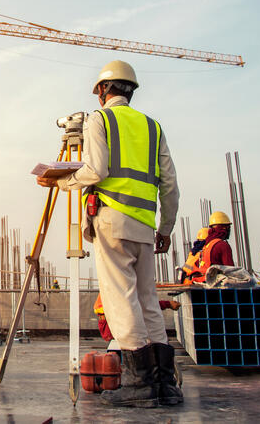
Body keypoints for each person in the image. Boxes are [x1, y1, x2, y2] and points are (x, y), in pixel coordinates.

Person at [37, 60, 181, 408]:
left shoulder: (100, 119)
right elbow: (171, 186)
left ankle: (140, 385)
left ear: (103, 90)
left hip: (112, 220)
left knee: (121, 300)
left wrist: (61, 180)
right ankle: (165, 386)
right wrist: (166, 229)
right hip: (146, 226)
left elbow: (96, 170)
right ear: (130, 90)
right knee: (148, 301)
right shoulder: (153, 126)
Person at [94, 292, 181, 343]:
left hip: (112, 328)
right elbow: (144, 306)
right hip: (115, 329)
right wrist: (168, 304)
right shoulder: (119, 288)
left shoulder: (112, 284)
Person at [190, 211, 234, 283]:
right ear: (224, 228)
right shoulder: (222, 245)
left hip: (203, 281)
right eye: (228, 227)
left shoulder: (207, 245)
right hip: (216, 285)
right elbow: (230, 270)